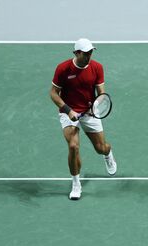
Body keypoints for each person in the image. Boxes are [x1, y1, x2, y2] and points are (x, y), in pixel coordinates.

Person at [49, 38, 117, 200]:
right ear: (76, 53)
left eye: (90, 52)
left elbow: (102, 94)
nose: (88, 56)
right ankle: (76, 184)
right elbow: (53, 93)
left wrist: (95, 107)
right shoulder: (63, 68)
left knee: (101, 147)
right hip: (68, 112)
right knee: (73, 146)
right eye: (85, 53)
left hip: (89, 112)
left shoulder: (97, 68)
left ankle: (108, 155)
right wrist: (68, 110)